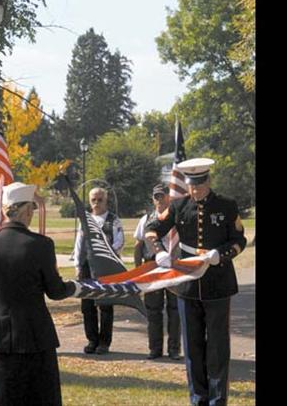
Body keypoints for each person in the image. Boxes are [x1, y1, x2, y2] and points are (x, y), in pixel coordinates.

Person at [145, 158, 247, 406]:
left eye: (199, 185)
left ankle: (217, 399)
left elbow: (239, 240)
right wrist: (158, 250)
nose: (195, 190)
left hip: (218, 283)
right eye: (191, 185)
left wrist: (220, 255)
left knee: (218, 346)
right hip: (188, 286)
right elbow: (152, 227)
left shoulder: (227, 205)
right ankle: (198, 398)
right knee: (192, 346)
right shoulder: (179, 206)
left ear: (208, 181)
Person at [0, 182, 77, 406]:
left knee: (2, 397)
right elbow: (55, 291)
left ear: (5, 210)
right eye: (32, 209)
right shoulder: (41, 245)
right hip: (35, 334)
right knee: (39, 397)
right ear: (27, 211)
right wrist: (75, 287)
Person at [72, 186, 124, 355]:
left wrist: (106, 252)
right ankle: (92, 340)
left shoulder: (113, 220)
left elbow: (119, 242)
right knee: (87, 305)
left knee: (105, 305)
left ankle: (104, 342)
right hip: (87, 266)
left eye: (99, 199)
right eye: (93, 200)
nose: (96, 203)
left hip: (106, 267)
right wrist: (77, 266)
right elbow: (79, 243)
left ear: (106, 200)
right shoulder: (85, 220)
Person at [133, 183, 181, 360]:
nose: (160, 199)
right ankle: (155, 348)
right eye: (156, 196)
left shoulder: (177, 218)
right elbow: (138, 245)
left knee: (174, 309)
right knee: (153, 310)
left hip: (175, 268)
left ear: (170, 197)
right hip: (152, 267)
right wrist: (138, 271)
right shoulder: (145, 219)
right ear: (153, 199)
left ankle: (174, 349)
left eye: (163, 195)